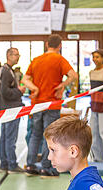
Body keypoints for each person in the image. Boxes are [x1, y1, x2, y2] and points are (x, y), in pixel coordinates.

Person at [22, 34, 77, 176]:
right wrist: (62, 85)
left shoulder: (36, 60)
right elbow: (73, 75)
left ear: (47, 45)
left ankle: (31, 165)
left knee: (35, 134)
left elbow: (25, 79)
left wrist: (34, 88)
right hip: (52, 104)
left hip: (37, 104)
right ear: (60, 46)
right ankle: (46, 167)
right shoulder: (59, 59)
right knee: (51, 137)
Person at [0, 47, 25, 173]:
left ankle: (4, 164)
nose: (18, 57)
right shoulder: (7, 71)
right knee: (9, 138)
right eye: (16, 55)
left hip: (6, 108)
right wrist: (19, 91)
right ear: (9, 55)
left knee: (5, 137)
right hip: (10, 109)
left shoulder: (8, 70)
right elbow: (5, 92)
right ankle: (11, 165)